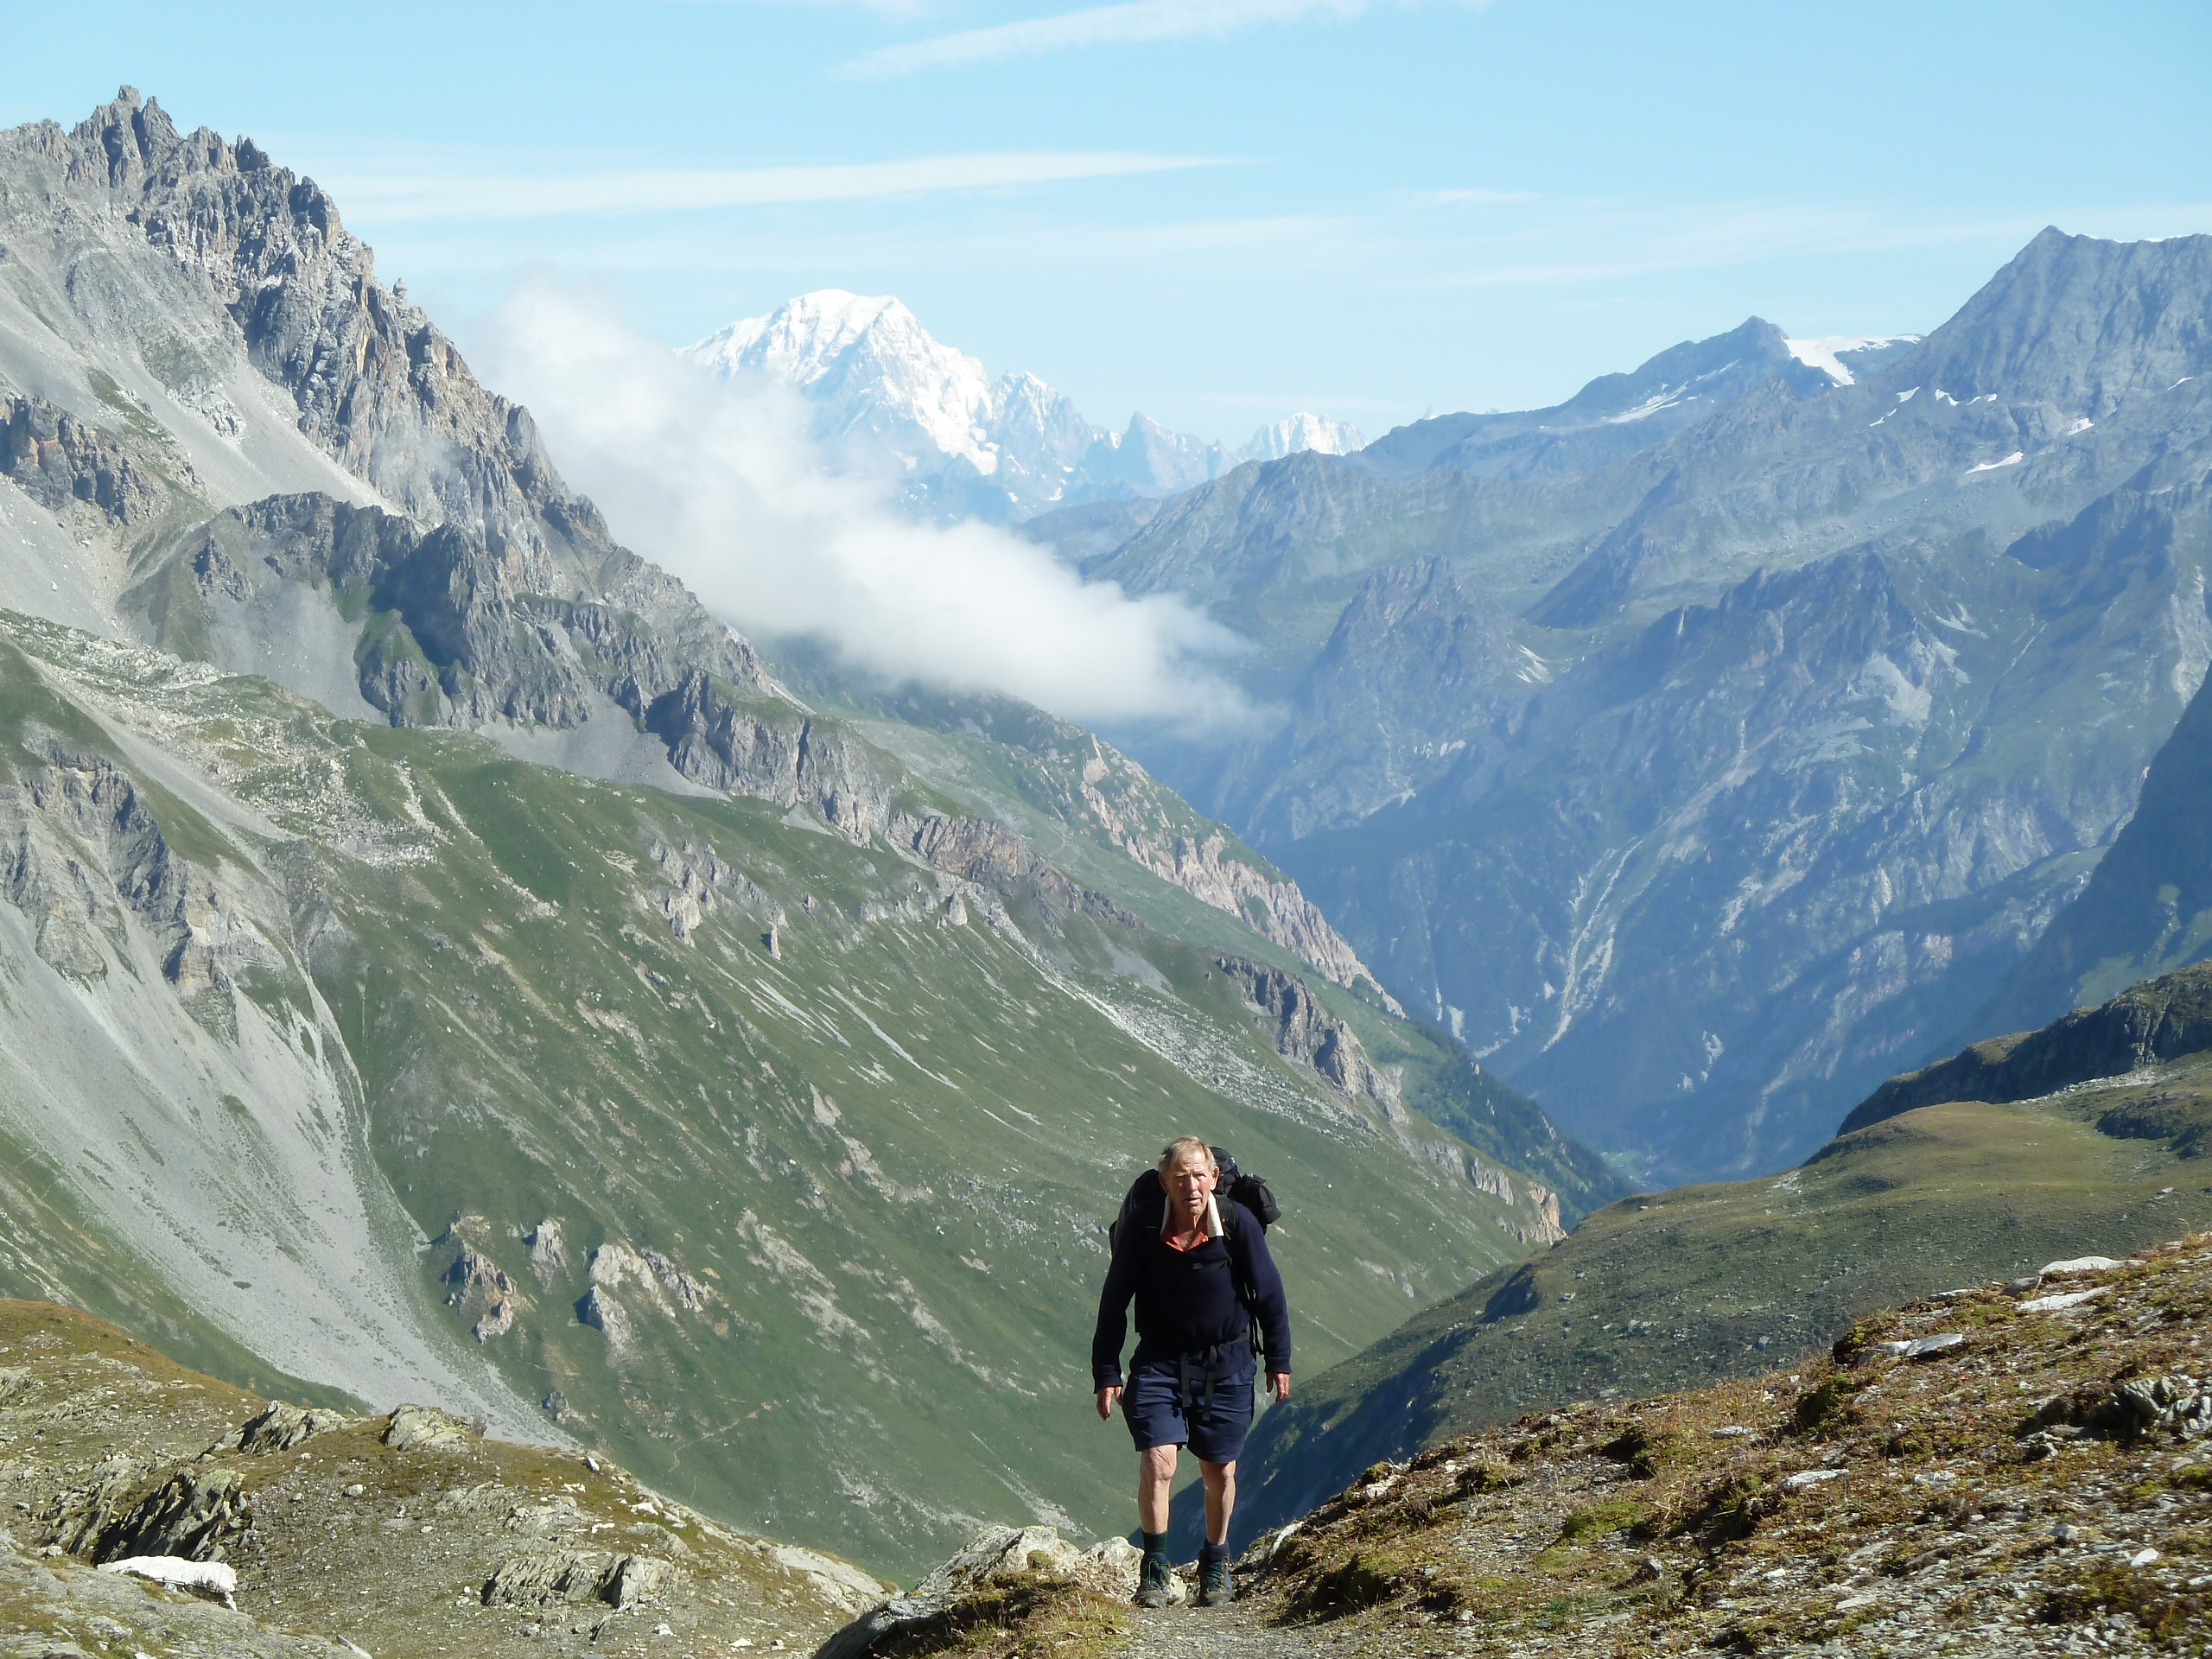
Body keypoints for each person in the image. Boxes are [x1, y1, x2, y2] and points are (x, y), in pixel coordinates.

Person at [1092, 1135, 1292, 1610]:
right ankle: (1155, 1570)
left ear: (1215, 1179)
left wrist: (1278, 1360)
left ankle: (1216, 1563)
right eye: (1180, 1178)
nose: (1191, 1187)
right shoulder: (1143, 1226)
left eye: (1200, 1176)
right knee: (1158, 1460)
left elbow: (1270, 1296)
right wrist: (1106, 1370)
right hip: (1159, 1361)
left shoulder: (1239, 1224)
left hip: (1229, 1362)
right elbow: (1114, 1301)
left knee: (1219, 1469)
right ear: (1164, 1183)